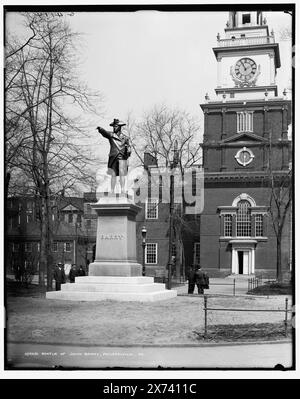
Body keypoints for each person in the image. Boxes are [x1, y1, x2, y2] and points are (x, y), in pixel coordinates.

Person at [97, 119, 131, 194]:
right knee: (113, 174)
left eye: (115, 126)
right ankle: (112, 190)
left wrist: (128, 150)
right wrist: (100, 129)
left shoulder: (125, 138)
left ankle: (122, 190)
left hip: (122, 156)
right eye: (113, 127)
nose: (114, 128)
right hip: (114, 156)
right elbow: (105, 133)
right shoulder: (111, 135)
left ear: (119, 127)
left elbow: (129, 147)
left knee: (122, 173)